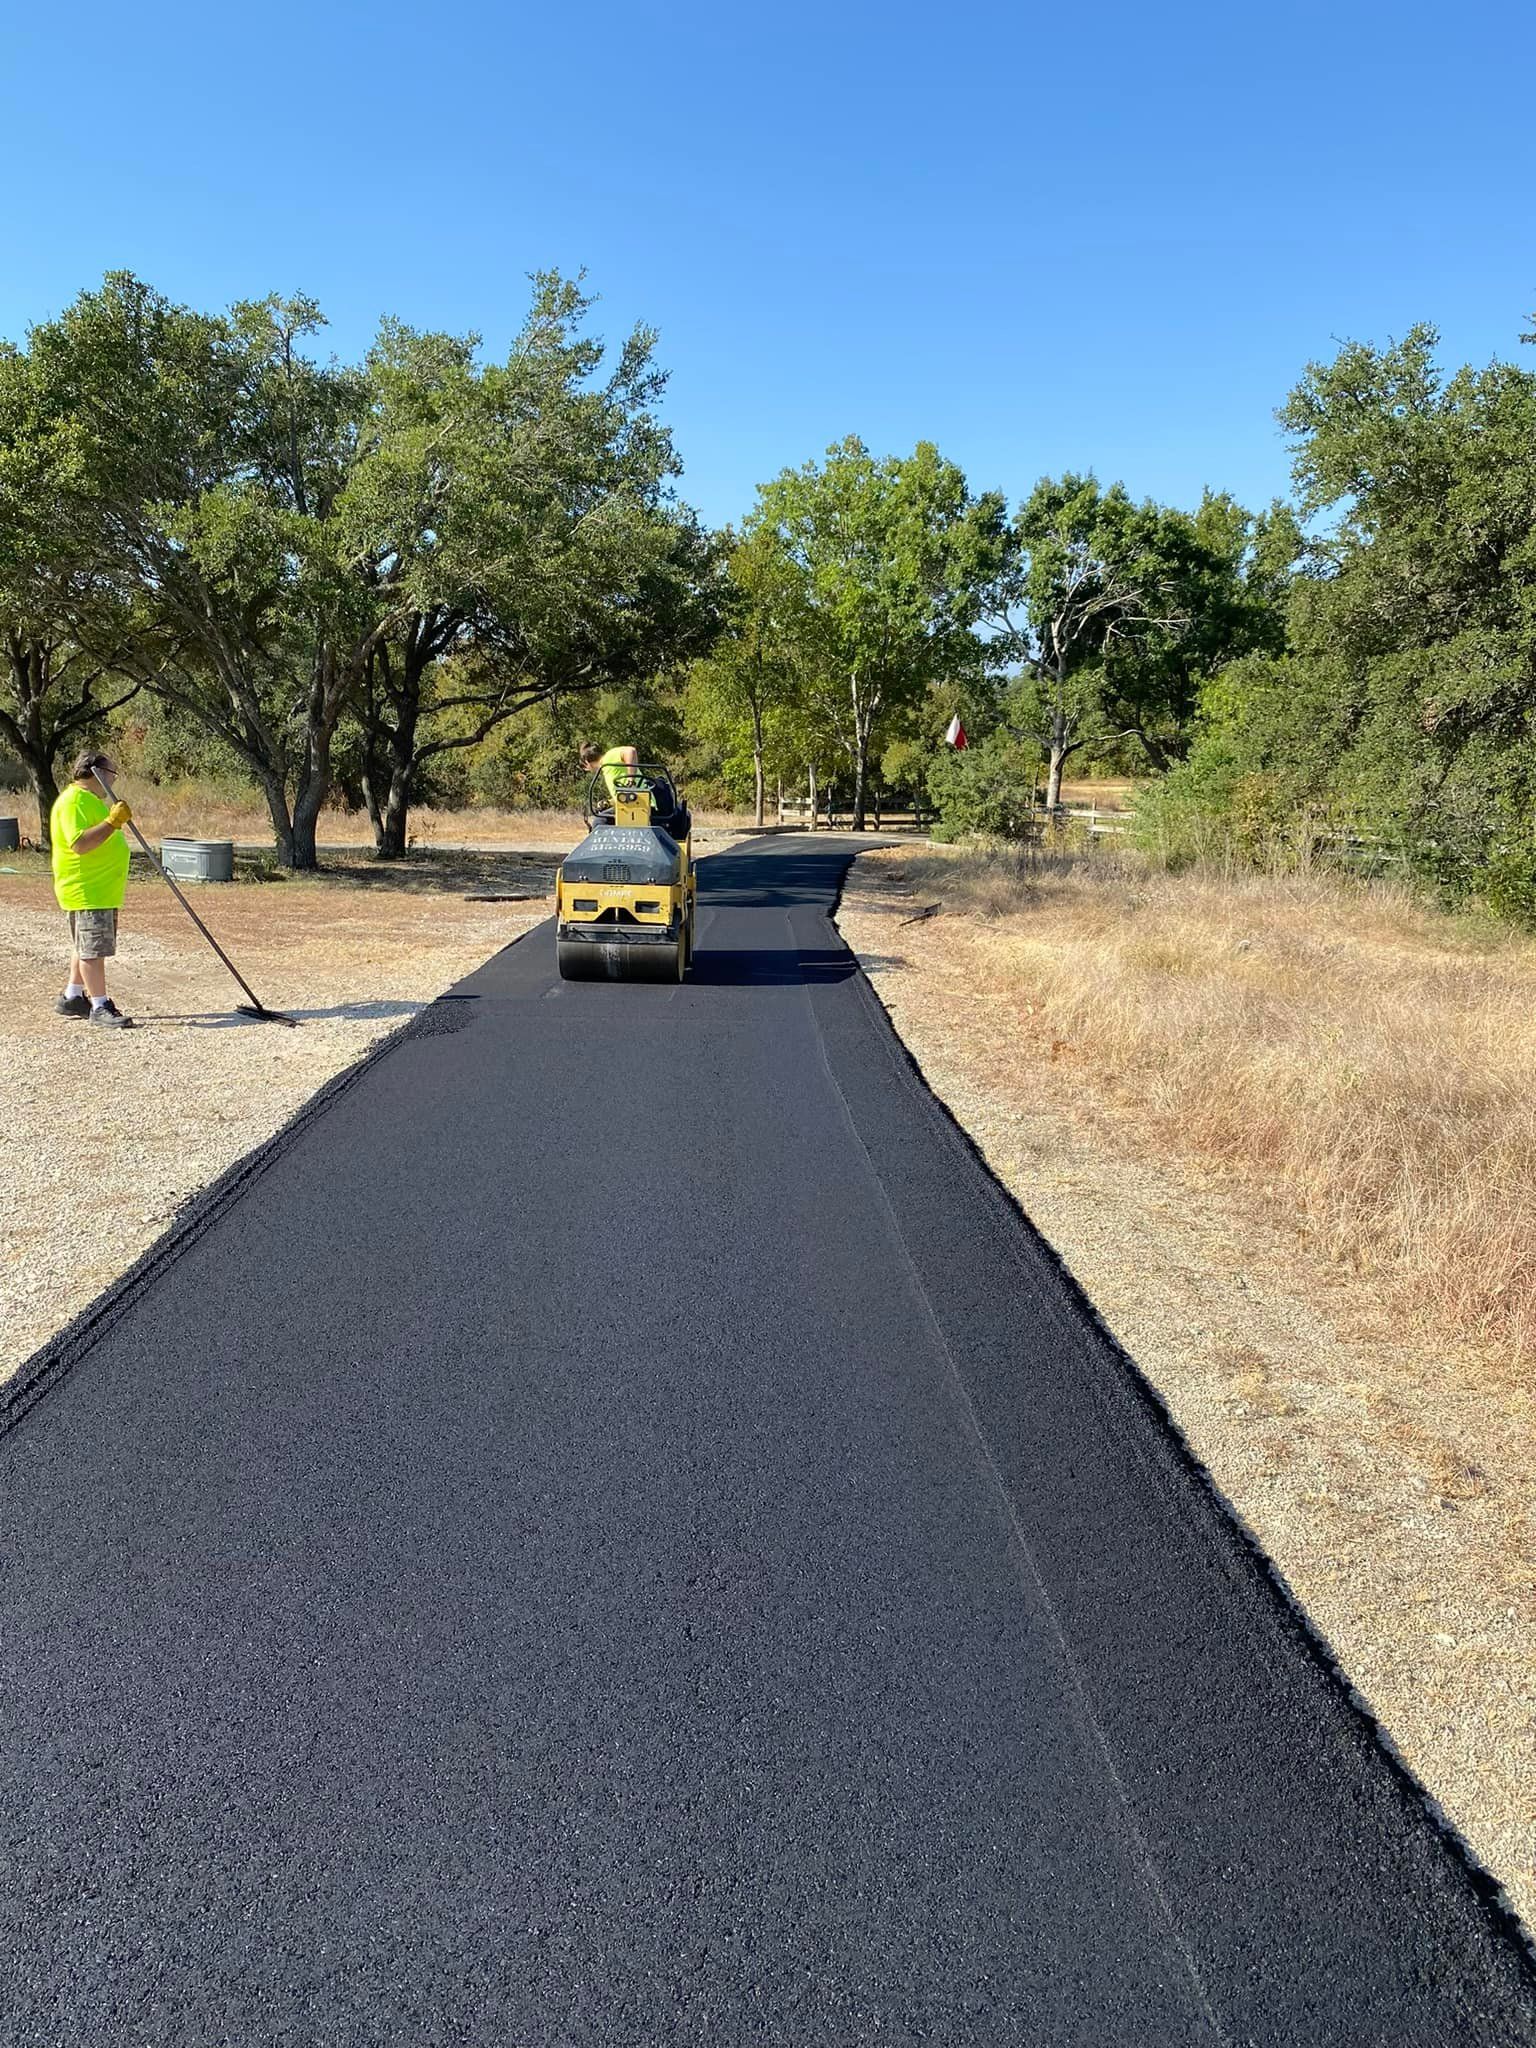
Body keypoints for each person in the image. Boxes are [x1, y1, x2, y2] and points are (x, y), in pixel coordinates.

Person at [51, 749, 135, 1029]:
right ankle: (100, 1005)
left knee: (85, 945)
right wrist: (112, 823)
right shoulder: (74, 800)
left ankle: (72, 996)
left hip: (100, 889)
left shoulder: (90, 800)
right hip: (87, 889)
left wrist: (112, 820)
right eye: (111, 773)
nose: (113, 780)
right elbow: (80, 843)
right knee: (92, 951)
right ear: (95, 771)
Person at [578, 740, 639, 805]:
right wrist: (609, 803)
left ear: (587, 762)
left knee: (598, 815)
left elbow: (630, 751)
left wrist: (631, 781)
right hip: (631, 804)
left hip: (641, 804)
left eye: (585, 767)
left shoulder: (608, 758)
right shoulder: (606, 768)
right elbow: (623, 797)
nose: (587, 770)